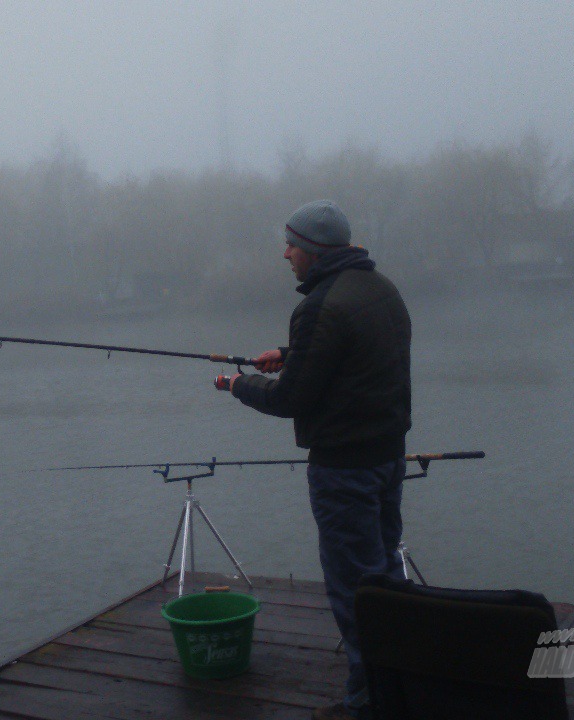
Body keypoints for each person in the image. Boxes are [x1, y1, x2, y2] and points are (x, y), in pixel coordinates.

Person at [215, 200, 411, 720]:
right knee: (385, 572)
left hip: (344, 468)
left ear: (315, 251)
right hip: (387, 459)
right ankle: (402, 679)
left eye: (292, 245)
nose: (285, 254)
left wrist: (238, 384)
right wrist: (293, 352)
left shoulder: (321, 306)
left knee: (354, 587)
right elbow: (355, 356)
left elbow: (288, 400)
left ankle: (368, 701)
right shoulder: (381, 290)